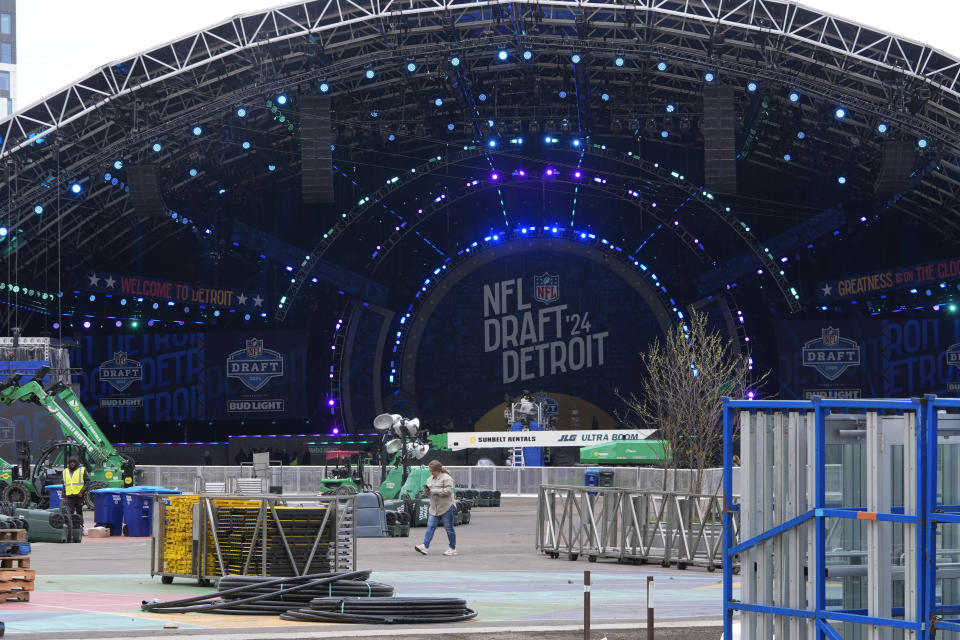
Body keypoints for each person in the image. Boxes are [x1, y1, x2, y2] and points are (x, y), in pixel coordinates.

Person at [414, 460, 457, 556]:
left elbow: (449, 491)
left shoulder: (447, 478)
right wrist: (427, 491)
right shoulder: (429, 479)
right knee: (430, 526)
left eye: (432, 471)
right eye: (430, 471)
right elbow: (430, 494)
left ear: (437, 470)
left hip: (447, 507)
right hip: (434, 508)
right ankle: (425, 546)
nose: (431, 472)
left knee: (449, 528)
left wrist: (434, 490)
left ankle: (452, 548)